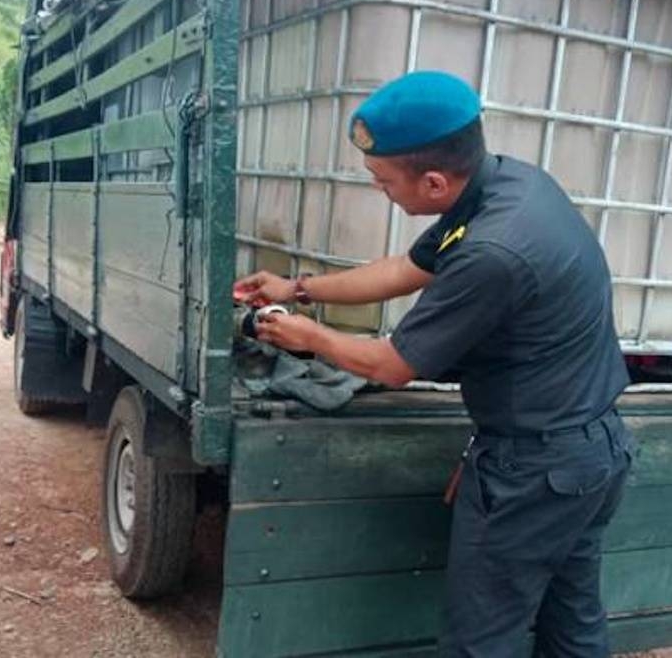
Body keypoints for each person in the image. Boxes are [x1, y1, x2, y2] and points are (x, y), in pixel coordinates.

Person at [233, 70, 635, 658]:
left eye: (383, 180)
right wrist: (299, 288)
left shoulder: (493, 253)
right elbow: (408, 268)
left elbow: (394, 364)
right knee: (572, 624)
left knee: (481, 641)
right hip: (590, 453)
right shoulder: (510, 185)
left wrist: (306, 336)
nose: (379, 191)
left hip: (537, 469)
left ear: (435, 181)